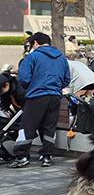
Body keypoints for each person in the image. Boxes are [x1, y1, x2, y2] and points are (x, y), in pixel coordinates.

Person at [10, 32, 69, 169]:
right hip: (55, 96)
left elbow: (24, 79)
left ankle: (22, 156)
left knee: (27, 126)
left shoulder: (32, 56)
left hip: (37, 95)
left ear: (35, 43)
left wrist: (32, 86)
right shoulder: (62, 58)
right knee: (49, 127)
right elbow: (66, 78)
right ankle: (47, 156)